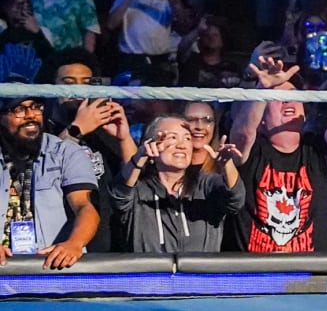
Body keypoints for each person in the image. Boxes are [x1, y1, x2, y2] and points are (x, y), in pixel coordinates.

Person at [228, 49, 327, 253]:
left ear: (304, 112)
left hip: (308, 278)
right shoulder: (254, 150)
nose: (287, 102)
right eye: (276, 97)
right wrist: (262, 90)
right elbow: (242, 134)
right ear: (262, 119)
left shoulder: (316, 150)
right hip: (255, 277)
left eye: (294, 96)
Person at [109, 116, 247, 254]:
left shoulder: (205, 185)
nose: (182, 145)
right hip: (151, 275)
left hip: (198, 274)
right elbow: (119, 195)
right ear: (151, 144)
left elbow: (236, 199)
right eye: (172, 138)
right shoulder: (139, 190)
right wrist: (140, 156)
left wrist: (227, 164)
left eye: (187, 138)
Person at [0, 96, 102, 268]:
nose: (30, 115)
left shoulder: (65, 152)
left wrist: (74, 244)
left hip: (52, 267)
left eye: (36, 107)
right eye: (19, 109)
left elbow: (85, 206)